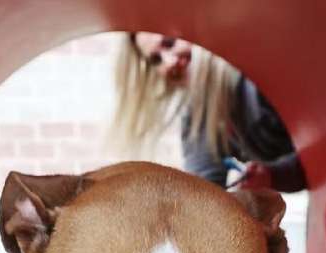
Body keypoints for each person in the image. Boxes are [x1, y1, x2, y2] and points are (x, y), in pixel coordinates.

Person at [112, 32, 307, 193]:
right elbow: (203, 194)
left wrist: (272, 176)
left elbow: (323, 152)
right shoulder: (199, 117)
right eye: (156, 60)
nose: (168, 63)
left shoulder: (255, 80)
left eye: (170, 43)